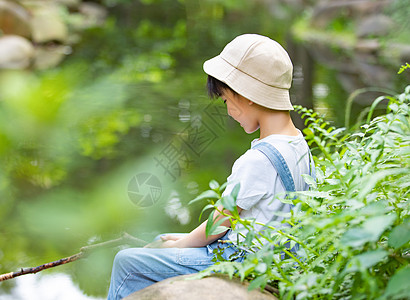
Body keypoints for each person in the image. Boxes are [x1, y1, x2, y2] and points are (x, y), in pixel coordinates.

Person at [107, 33, 313, 300]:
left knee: (126, 262)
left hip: (243, 261)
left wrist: (181, 244)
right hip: (277, 257)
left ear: (246, 95)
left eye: (227, 101)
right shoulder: (298, 145)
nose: (227, 111)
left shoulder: (258, 159)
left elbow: (219, 223)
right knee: (162, 238)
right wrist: (176, 241)